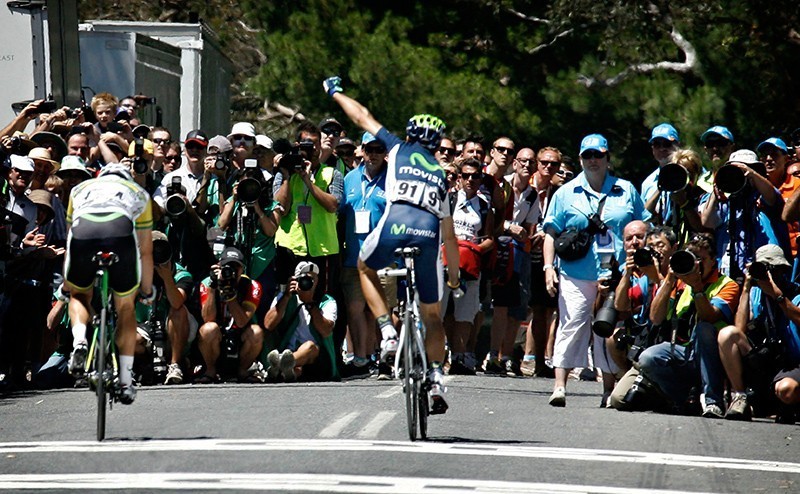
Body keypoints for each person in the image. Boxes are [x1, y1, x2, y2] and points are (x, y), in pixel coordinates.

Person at [325, 75, 461, 413]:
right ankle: (435, 379)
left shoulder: (397, 148)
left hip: (393, 228)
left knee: (363, 267)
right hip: (428, 237)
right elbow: (450, 235)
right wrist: (454, 277)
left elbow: (361, 116)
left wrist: (335, 92)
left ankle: (386, 330)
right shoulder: (442, 175)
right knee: (432, 316)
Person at [543, 133, 647, 407]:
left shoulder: (625, 189)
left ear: (607, 158)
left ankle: (608, 390)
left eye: (598, 155)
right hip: (575, 271)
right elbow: (550, 233)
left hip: (617, 271)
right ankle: (560, 386)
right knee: (572, 324)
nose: (593, 160)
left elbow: (642, 226)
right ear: (579, 159)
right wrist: (547, 268)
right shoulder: (566, 192)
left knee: (609, 328)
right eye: (587, 155)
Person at [64, 163, 155, 405]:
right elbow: (145, 250)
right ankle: (125, 381)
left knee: (78, 296)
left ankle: (80, 342)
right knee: (125, 306)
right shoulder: (138, 193)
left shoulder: (80, 189)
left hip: (84, 233)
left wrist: (68, 285)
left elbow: (70, 235)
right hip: (120, 232)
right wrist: (146, 289)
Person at [641, 233, 739, 417]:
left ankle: (713, 402)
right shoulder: (679, 283)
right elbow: (655, 318)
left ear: (713, 261)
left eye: (701, 259)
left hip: (715, 356)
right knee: (648, 357)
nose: (696, 265)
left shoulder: (727, 284)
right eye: (692, 259)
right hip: (684, 352)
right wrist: (670, 279)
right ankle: (682, 400)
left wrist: (697, 288)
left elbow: (709, 317)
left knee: (703, 328)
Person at [717, 244, 800, 420]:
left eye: (773, 270)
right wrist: (746, 289)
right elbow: (740, 329)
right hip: (767, 357)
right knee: (728, 334)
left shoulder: (796, 292)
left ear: (782, 269)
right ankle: (740, 397)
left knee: (787, 390)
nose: (769, 276)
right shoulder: (755, 292)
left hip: (792, 360)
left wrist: (776, 295)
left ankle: (790, 405)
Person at [338, 133, 390, 378]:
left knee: (381, 311)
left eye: (379, 149)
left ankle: (385, 359)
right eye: (370, 149)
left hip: (384, 258)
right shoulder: (349, 178)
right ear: (362, 150)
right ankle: (361, 359)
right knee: (356, 309)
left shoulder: (393, 180)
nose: (374, 154)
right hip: (354, 258)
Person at [444, 158, 494, 375]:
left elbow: (491, 237)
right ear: (459, 178)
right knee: (440, 310)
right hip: (445, 262)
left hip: (471, 266)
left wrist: (473, 250)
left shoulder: (484, 207)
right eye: (465, 175)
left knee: (465, 313)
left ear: (481, 178)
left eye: (475, 176)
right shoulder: (449, 200)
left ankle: (458, 356)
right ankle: (437, 355)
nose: (470, 180)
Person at [196, 246, 264, 383]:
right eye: (227, 267)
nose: (231, 271)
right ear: (219, 267)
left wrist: (230, 297)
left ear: (242, 269)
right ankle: (210, 370)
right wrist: (213, 287)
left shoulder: (252, 286)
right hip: (217, 336)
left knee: (256, 332)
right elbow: (208, 318)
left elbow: (242, 321)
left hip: (240, 335)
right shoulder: (207, 283)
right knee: (208, 329)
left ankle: (243, 371)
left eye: (235, 267)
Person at [263, 261, 339, 382]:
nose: (309, 282)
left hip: (316, 356)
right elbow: (268, 325)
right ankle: (286, 370)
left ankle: (278, 365)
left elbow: (326, 331)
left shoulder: (326, 301)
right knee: (296, 371)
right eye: (304, 278)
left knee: (309, 346)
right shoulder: (285, 296)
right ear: (295, 281)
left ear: (317, 281)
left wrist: (310, 304)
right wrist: (286, 297)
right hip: (289, 351)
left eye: (312, 278)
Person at [522, 146, 561, 377]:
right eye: (544, 162)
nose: (548, 167)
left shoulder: (559, 192)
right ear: (537, 163)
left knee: (543, 308)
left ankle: (539, 362)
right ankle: (504, 357)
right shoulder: (523, 186)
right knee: (511, 308)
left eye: (554, 164)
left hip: (544, 256)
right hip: (519, 250)